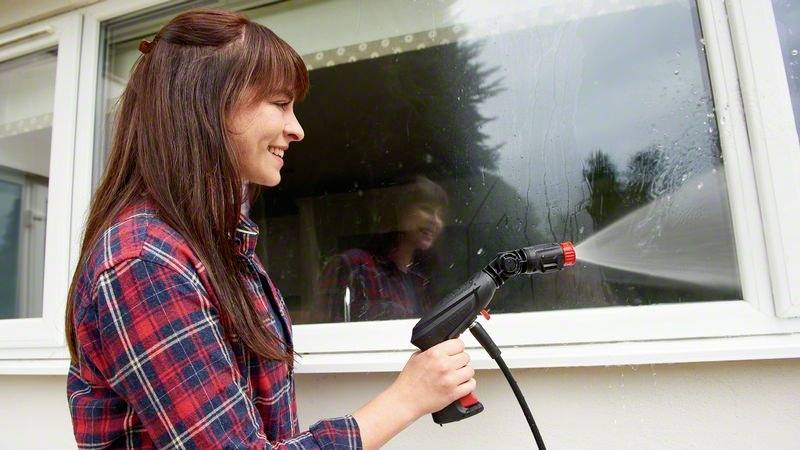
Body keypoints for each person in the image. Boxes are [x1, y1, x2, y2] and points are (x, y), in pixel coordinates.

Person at [65, 9, 475, 449]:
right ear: (204, 104)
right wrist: (407, 398)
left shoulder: (220, 249)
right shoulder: (146, 262)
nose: (297, 129)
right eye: (280, 103)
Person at [315, 175, 448, 322]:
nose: (436, 221)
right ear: (399, 210)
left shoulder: (422, 280)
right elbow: (324, 331)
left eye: (440, 215)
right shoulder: (353, 265)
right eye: (426, 209)